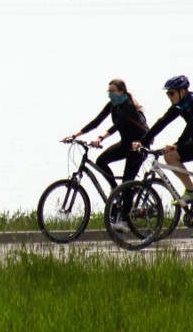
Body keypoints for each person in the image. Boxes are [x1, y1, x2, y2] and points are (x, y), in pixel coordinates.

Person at [132, 75, 193, 238]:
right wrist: (142, 141)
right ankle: (190, 190)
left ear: (182, 91)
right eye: (168, 94)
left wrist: (177, 144)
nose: (169, 97)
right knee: (170, 157)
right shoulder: (180, 106)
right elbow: (162, 122)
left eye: (171, 93)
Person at [63, 78, 150, 231]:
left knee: (127, 181)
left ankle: (124, 219)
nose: (110, 95)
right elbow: (96, 122)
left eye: (113, 91)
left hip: (139, 145)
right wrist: (75, 135)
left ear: (122, 92)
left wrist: (100, 138)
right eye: (108, 92)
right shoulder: (112, 106)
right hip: (125, 144)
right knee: (101, 160)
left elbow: (117, 125)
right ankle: (116, 190)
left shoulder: (128, 106)